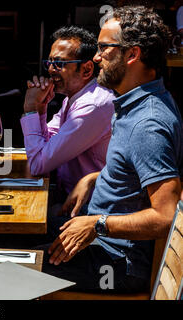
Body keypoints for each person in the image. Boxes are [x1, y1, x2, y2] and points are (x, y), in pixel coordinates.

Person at [35, 6, 182, 293]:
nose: (96, 57)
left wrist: (97, 224)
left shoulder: (148, 123)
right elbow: (136, 168)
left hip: (116, 266)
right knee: (1, 244)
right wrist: (95, 178)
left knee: (10, 266)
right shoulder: (134, 102)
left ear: (132, 54)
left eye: (104, 48)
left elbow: (167, 216)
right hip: (101, 244)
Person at [21, 26, 115, 203]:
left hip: (91, 210)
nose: (50, 69)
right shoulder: (73, 98)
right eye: (49, 62)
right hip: (69, 198)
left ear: (87, 70)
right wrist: (41, 109)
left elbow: (38, 164)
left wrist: (31, 110)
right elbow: (45, 146)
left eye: (59, 63)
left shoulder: (92, 106)